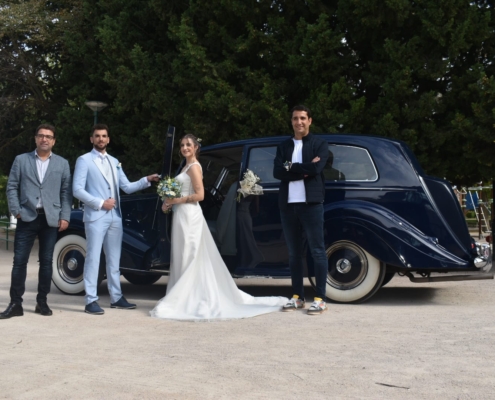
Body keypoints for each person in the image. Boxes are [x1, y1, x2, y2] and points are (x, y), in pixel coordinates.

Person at [150, 134, 287, 321]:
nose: (184, 148)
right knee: (181, 254)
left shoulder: (195, 167)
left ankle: (189, 298)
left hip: (190, 215)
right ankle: (180, 294)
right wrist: (169, 202)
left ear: (196, 147)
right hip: (180, 215)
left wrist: (177, 200)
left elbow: (200, 195)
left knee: (191, 254)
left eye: (188, 145)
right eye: (182, 145)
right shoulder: (184, 166)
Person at [73, 124, 159, 315]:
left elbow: (126, 187)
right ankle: (91, 300)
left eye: (104, 136)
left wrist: (147, 180)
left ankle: (116, 297)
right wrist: (101, 203)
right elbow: (77, 190)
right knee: (93, 258)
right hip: (96, 216)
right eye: (97, 136)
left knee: (114, 259)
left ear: (108, 139)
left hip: (115, 217)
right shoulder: (84, 160)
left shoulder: (114, 161)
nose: (101, 139)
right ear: (91, 139)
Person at [0, 124, 72, 319]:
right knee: (19, 262)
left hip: (50, 220)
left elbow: (66, 193)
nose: (44, 139)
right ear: (35, 139)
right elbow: (12, 186)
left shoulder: (62, 164)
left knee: (47, 263)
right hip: (27, 217)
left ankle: (42, 302)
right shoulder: (21, 160)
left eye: (48, 136)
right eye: (41, 135)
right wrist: (16, 211)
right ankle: (16, 304)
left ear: (54, 141)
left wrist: (65, 216)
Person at [273, 105, 329, 315]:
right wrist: (303, 169)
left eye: (303, 118)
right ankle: (297, 297)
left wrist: (292, 167)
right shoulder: (284, 146)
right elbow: (277, 171)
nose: (299, 122)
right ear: (292, 121)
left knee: (317, 250)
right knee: (294, 254)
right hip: (288, 205)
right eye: (296, 118)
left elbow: (316, 169)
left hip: (311, 204)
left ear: (310, 120)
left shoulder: (319, 144)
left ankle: (321, 299)